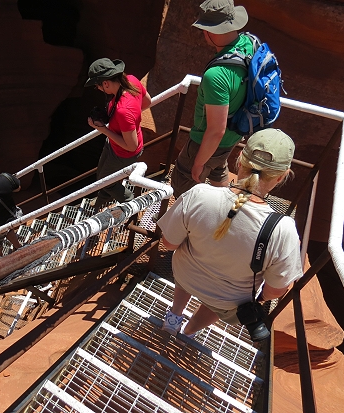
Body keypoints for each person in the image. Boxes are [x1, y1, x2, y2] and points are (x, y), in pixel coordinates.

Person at [158, 129, 303, 338]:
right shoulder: (283, 230)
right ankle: (187, 333)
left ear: (240, 159)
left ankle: (174, 317)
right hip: (228, 301)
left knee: (187, 271)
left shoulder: (199, 194)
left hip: (185, 275)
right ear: (281, 177)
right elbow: (275, 291)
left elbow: (170, 244)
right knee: (221, 304)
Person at [170, 0, 254, 198]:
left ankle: (182, 225)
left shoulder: (216, 75)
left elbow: (216, 131)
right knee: (218, 166)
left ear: (210, 31)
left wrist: (198, 163)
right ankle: (222, 209)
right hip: (234, 135)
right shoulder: (249, 43)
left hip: (204, 142)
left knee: (181, 183)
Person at [85, 58, 152, 210]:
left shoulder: (123, 110)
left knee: (105, 180)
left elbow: (131, 146)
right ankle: (103, 199)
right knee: (102, 175)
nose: (99, 89)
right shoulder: (131, 80)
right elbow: (147, 102)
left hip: (123, 153)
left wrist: (104, 130)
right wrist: (130, 122)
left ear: (106, 83)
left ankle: (131, 202)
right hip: (114, 144)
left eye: (98, 86)